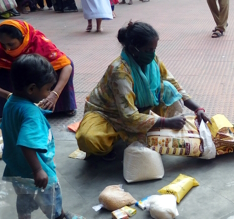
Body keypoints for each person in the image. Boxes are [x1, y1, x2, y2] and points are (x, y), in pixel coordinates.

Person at [75, 21, 210, 157]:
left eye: (154, 50)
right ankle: (120, 136)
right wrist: (165, 122)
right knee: (89, 139)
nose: (152, 54)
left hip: (137, 110)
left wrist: (197, 109)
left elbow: (173, 83)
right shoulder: (120, 71)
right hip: (108, 113)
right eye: (148, 50)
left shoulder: (153, 60)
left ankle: (132, 134)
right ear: (134, 49)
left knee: (167, 89)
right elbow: (128, 116)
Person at [1, 54, 84, 219]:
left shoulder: (11, 102)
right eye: (47, 89)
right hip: (37, 170)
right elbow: (26, 143)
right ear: (31, 89)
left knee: (24, 196)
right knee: (51, 198)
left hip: (16, 166)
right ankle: (59, 216)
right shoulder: (31, 114)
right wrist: (38, 170)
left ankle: (24, 216)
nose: (48, 94)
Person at [0, 20, 77, 118]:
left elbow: (67, 66)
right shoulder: (0, 50)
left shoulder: (39, 42)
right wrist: (8, 96)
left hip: (39, 80)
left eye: (11, 44)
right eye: (3, 44)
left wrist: (55, 94)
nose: (7, 49)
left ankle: (62, 107)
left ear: (22, 38)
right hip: (19, 84)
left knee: (66, 62)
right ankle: (9, 111)